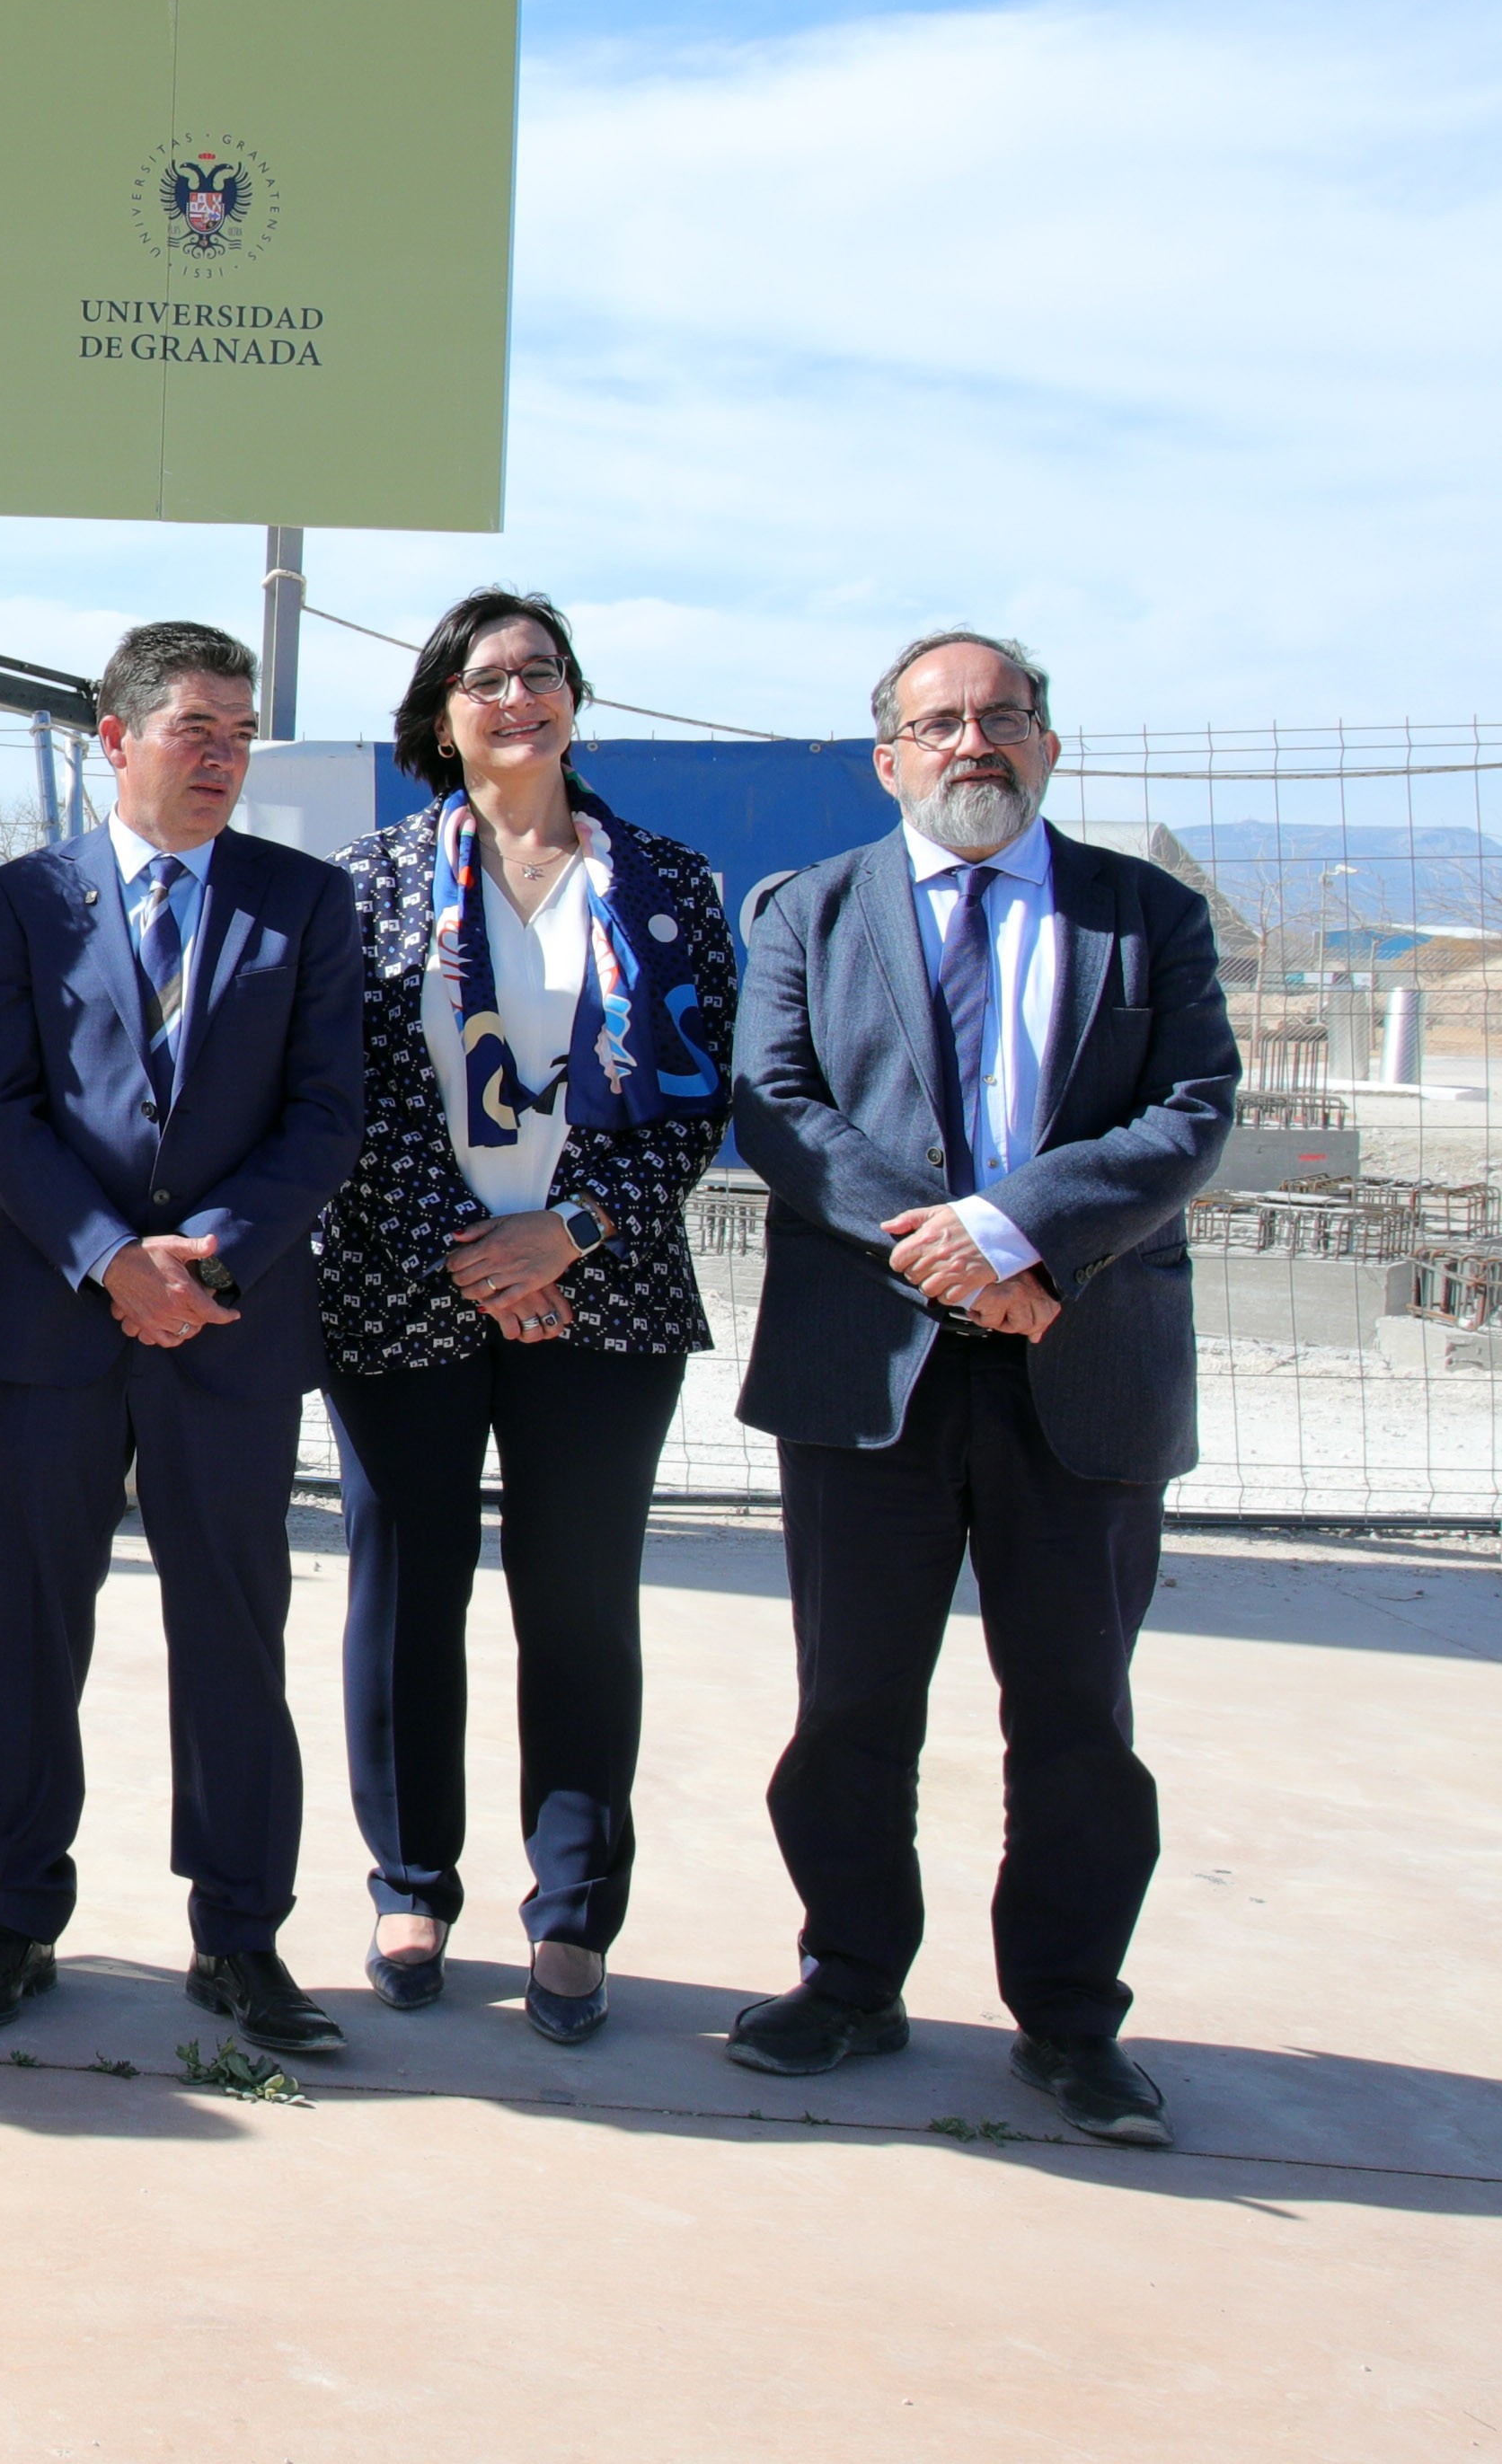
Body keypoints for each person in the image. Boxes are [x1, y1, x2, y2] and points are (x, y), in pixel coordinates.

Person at [726, 628, 1237, 2147]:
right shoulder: (807, 912)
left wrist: (1018, 1236)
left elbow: (1192, 1111)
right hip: (867, 1374)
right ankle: (849, 1979)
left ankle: (1071, 2019)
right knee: (851, 1705)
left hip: (1081, 1362)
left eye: (1003, 717)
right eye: (940, 722)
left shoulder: (1147, 915)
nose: (974, 742)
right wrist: (953, 1255)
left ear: (1048, 746)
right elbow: (780, 1110)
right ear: (888, 757)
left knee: (1077, 1717)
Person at [0, 619, 369, 2054]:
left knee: (234, 1633)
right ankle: (14, 1918)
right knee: (31, 1627)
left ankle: (240, 1936)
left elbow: (326, 1113)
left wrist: (212, 1259)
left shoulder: (305, 902)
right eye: (198, 728)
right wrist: (110, 1258)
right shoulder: (25, 899)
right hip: (57, 1324)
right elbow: (3, 1108)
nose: (224, 757)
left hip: (231, 1330)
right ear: (116, 739)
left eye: (241, 734)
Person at [313, 593, 735, 2046]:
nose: (519, 697)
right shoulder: (368, 885)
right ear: (442, 716)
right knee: (404, 1598)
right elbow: (347, 1095)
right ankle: (410, 1882)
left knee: (578, 1607)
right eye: (487, 679)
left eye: (542, 673)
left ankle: (572, 1912)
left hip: (606, 1298)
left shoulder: (668, 884)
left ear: (573, 699)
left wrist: (569, 1234)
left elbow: (696, 1097)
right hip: (404, 1282)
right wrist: (480, 1251)